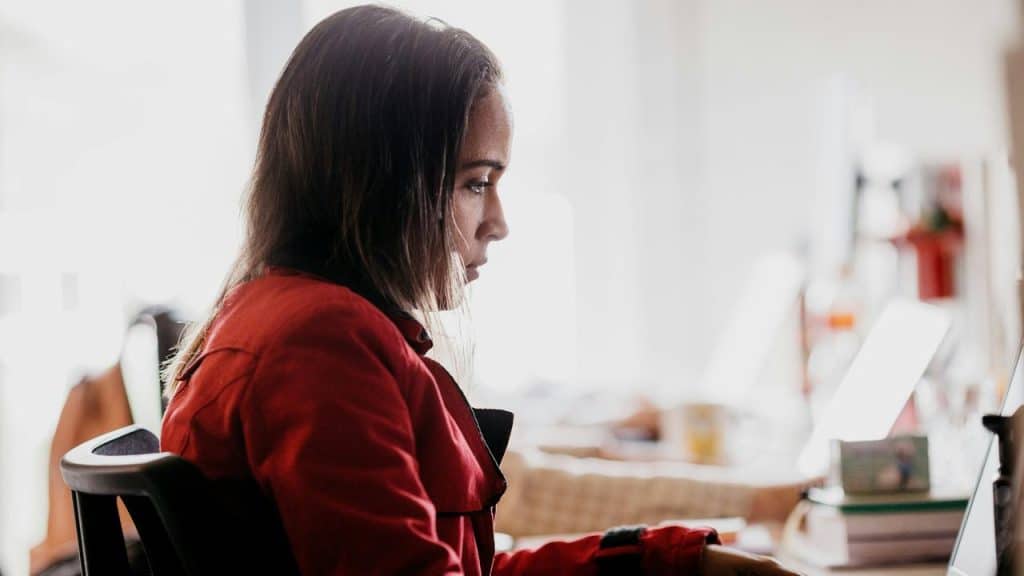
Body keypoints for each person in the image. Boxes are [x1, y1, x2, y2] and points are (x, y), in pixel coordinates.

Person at [161, 5, 800, 575]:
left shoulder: (284, 321)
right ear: (383, 183)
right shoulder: (318, 344)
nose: (497, 222)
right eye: (475, 183)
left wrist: (675, 561)